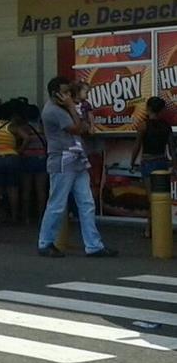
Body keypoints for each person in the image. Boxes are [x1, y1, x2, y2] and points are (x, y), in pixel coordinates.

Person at [37, 77, 116, 258]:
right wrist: (73, 107)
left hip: (77, 159)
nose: (68, 96)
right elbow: (78, 128)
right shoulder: (53, 111)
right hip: (62, 160)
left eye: (69, 92)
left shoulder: (62, 108)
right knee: (57, 203)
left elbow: (84, 127)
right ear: (54, 93)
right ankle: (45, 242)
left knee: (87, 203)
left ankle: (94, 245)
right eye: (64, 92)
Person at [131, 96, 176, 239]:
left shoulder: (143, 125)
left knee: (151, 199)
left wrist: (132, 162)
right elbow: (172, 149)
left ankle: (150, 229)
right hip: (162, 162)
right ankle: (159, 227)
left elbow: (137, 145)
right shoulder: (166, 126)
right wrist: (174, 165)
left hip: (148, 163)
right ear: (162, 110)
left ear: (148, 108)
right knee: (160, 198)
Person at [0, 101, 24, 225]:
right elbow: (27, 137)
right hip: (11, 158)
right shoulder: (12, 126)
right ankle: (14, 218)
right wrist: (19, 150)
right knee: (12, 189)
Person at [19, 104, 48, 223]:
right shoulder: (43, 128)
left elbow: (26, 140)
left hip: (27, 159)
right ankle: (42, 217)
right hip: (42, 158)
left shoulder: (24, 128)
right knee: (41, 190)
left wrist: (20, 150)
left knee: (27, 189)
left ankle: (26, 217)